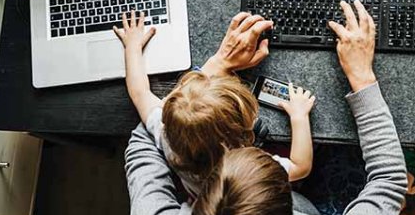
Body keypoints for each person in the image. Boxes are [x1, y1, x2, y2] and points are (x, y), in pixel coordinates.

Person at [124, 0, 408, 215]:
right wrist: (362, 76)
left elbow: (145, 138)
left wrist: (215, 67)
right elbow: (389, 181)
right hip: (317, 214)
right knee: (345, 155)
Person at [114, 11, 316, 196]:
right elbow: (300, 167)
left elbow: (139, 92)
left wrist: (132, 47)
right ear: (241, 133)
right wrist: (299, 117)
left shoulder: (167, 134)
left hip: (201, 194)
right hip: (242, 194)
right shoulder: (248, 168)